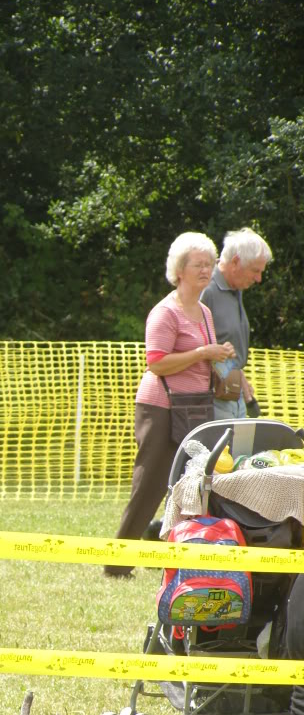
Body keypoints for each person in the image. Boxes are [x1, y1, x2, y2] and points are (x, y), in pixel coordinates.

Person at [104, 232, 236, 578]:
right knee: (149, 486)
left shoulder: (205, 312)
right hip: (160, 407)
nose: (207, 269)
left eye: (210, 263)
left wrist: (220, 356)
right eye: (199, 264)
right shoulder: (164, 312)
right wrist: (203, 353)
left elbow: (201, 358)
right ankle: (117, 565)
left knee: (191, 484)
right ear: (180, 270)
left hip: (194, 407)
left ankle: (178, 555)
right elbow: (157, 363)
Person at [200, 228, 272, 420]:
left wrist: (240, 378)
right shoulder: (207, 289)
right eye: (255, 271)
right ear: (235, 262)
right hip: (212, 396)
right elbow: (193, 344)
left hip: (232, 392)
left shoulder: (235, 288)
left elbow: (225, 344)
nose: (259, 279)